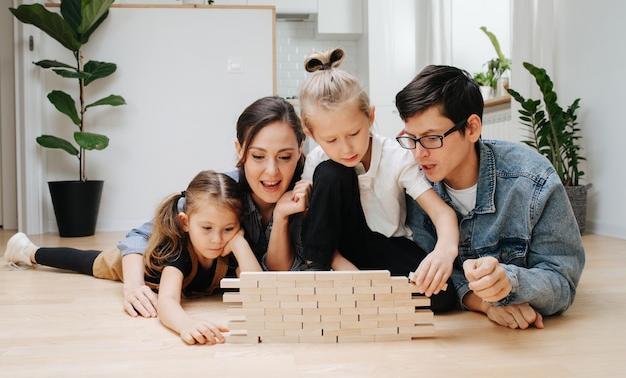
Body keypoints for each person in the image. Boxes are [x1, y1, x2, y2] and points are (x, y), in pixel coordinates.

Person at [395, 65, 585, 329]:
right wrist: (484, 302)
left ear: (472, 128)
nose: (418, 154)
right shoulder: (413, 184)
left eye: (431, 138)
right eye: (411, 139)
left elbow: (562, 282)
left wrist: (509, 282)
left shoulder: (534, 181)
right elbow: (430, 272)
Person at [4, 170, 262, 345]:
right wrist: (186, 324)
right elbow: (167, 301)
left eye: (228, 229)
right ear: (185, 223)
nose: (217, 239)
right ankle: (28, 252)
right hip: (136, 263)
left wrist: (239, 243)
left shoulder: (231, 246)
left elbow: (257, 290)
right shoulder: (179, 252)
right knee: (87, 262)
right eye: (206, 228)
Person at [297, 48, 459, 312]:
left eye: (354, 133)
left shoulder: (397, 156)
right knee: (331, 171)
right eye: (331, 140)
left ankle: (369, 296)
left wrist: (443, 253)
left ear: (371, 117)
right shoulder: (317, 161)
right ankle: (321, 275)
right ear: (311, 134)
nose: (346, 148)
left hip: (386, 247)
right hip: (336, 254)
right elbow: (312, 225)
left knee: (442, 294)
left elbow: (442, 213)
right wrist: (339, 264)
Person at [119, 96, 311, 318]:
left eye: (284, 157)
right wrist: (133, 286)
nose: (271, 171)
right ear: (239, 150)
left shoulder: (307, 194)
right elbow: (137, 237)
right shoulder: (223, 194)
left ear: (299, 149)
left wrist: (281, 218)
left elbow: (275, 284)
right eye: (258, 156)